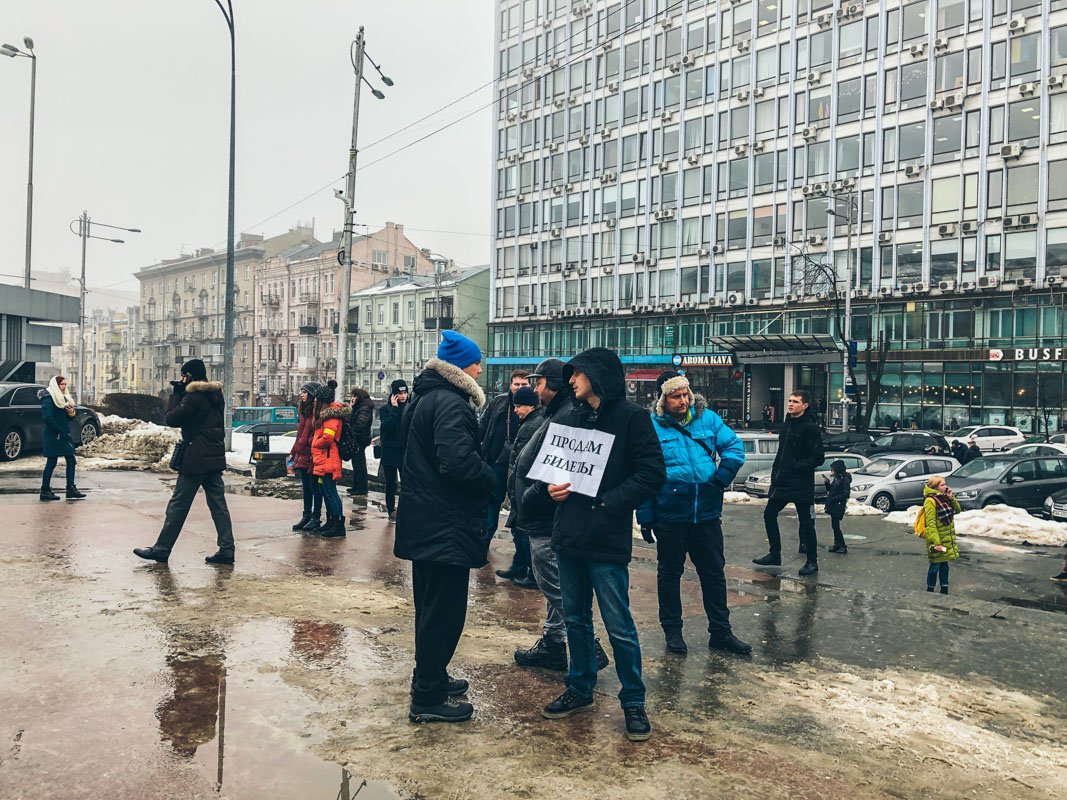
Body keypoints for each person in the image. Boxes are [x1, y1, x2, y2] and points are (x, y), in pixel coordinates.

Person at [534, 347, 666, 742]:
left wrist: (609, 501)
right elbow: (550, 468)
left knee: (619, 625)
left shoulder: (631, 418)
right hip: (569, 534)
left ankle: (634, 701)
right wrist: (549, 489)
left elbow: (651, 474)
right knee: (575, 619)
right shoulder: (570, 415)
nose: (571, 381)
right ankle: (580, 688)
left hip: (606, 537)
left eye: (577, 374)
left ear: (598, 376)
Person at [395, 330, 496, 724]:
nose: (480, 369)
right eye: (475, 362)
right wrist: (489, 477)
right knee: (445, 612)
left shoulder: (425, 397)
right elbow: (457, 463)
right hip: (445, 523)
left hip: (427, 519)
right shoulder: (452, 403)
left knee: (430, 607)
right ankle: (427, 697)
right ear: (459, 367)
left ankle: (432, 677)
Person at [636, 372, 750, 657]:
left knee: (714, 574)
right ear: (664, 399)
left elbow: (734, 447)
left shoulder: (708, 419)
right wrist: (646, 513)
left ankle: (721, 632)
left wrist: (722, 477)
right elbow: (643, 472)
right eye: (676, 396)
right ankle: (673, 631)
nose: (683, 401)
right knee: (669, 575)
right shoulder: (650, 427)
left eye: (686, 394)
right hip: (670, 515)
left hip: (707, 513)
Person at [512, 358, 610, 672]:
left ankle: (589, 644)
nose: (534, 388)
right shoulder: (556, 412)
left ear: (553, 384)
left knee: (552, 579)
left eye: (538, 382)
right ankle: (554, 644)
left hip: (546, 514)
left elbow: (559, 468)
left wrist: (531, 495)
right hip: (542, 512)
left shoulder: (567, 414)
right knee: (557, 580)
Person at [133, 359, 234, 565]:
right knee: (218, 505)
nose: (181, 379)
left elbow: (171, 419)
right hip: (213, 456)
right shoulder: (215, 394)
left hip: (196, 457)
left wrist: (177, 393)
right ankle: (227, 549)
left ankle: (162, 548)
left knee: (178, 504)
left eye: (183, 375)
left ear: (189, 376)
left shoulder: (194, 396)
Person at [753, 390, 825, 576]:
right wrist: (776, 472)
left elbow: (818, 458)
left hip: (801, 482)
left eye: (795, 401)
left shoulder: (810, 428)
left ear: (805, 405)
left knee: (806, 523)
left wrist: (796, 466)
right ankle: (774, 554)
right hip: (782, 481)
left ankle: (812, 561)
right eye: (790, 401)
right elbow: (781, 454)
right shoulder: (787, 424)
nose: (790, 404)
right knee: (769, 514)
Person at [481, 369, 531, 576]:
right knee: (490, 508)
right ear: (510, 385)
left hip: (521, 469)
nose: (519, 388)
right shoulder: (498, 403)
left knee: (519, 515)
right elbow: (482, 428)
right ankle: (479, 550)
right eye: (516, 384)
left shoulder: (535, 407)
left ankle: (521, 564)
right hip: (496, 464)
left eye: (524, 385)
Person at [502, 385, 543, 589]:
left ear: (530, 406)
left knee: (523, 532)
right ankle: (520, 566)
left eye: (519, 406)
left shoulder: (530, 426)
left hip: (524, 487)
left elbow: (521, 459)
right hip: (521, 486)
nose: (516, 410)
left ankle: (532, 573)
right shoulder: (532, 422)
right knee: (520, 530)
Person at [311, 380, 351, 538]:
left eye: (317, 399)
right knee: (325, 490)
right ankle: (331, 521)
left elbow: (328, 438)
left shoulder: (332, 416)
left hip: (329, 459)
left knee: (330, 492)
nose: (314, 401)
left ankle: (338, 525)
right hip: (324, 459)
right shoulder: (327, 415)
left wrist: (315, 443)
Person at [39, 375, 85, 501]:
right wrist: (59, 430)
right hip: (53, 434)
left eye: (65, 384)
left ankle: (70, 488)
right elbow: (47, 417)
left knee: (71, 460)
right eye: (62, 384)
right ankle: (45, 490)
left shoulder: (63, 398)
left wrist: (71, 413)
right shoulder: (48, 397)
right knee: (51, 462)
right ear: (55, 385)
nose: (64, 387)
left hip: (63, 434)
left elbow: (66, 417)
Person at [289, 381, 324, 532]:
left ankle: (316, 517)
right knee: (306, 487)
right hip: (302, 453)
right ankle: (306, 515)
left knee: (314, 487)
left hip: (312, 454)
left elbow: (316, 433)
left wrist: (307, 443)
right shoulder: (304, 410)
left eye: (305, 392)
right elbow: (300, 433)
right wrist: (295, 449)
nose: (302, 394)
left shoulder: (316, 412)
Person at [922, 475, 960, 594]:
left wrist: (952, 498)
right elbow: (931, 524)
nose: (945, 487)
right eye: (942, 485)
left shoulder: (945, 498)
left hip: (946, 537)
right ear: (935, 487)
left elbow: (957, 510)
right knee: (934, 566)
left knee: (944, 565)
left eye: (945, 484)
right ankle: (930, 589)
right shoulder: (930, 501)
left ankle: (944, 589)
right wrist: (937, 542)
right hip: (936, 538)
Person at [378, 379, 409, 523]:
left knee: (407, 483)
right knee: (390, 484)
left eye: (405, 393)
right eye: (399, 393)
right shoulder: (385, 409)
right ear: (394, 395)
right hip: (390, 451)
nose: (403, 396)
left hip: (405, 451)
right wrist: (395, 409)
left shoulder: (410, 408)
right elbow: (387, 427)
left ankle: (405, 510)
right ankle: (391, 511)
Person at [347, 387, 374, 498]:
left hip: (359, 439)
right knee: (357, 464)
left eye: (353, 396)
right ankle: (357, 487)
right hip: (358, 438)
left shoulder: (364, 407)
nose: (352, 399)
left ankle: (361, 488)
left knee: (359, 464)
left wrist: (352, 432)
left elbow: (360, 423)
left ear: (358, 396)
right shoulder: (361, 406)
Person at [823, 459, 851, 554]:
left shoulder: (844, 479)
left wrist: (834, 498)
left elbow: (846, 493)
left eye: (832, 469)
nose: (831, 471)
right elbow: (831, 490)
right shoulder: (837, 478)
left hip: (838, 505)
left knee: (836, 526)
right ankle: (837, 544)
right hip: (833, 505)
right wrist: (827, 483)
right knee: (834, 526)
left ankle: (842, 545)